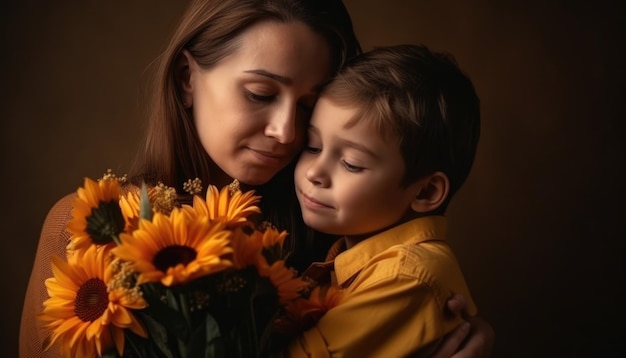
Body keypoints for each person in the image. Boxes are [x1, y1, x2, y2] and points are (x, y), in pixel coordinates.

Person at [19, 1, 493, 357]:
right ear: (187, 79)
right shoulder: (89, 233)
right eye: (260, 93)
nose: (286, 131)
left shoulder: (334, 238)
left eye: (309, 106)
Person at [275, 43, 482, 357]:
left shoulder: (407, 277)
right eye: (313, 146)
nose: (315, 172)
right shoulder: (349, 251)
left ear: (425, 192)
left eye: (352, 164)